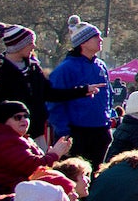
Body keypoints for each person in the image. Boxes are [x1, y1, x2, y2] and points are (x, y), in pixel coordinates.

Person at [46, 18, 116, 167]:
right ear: (83, 42)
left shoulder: (101, 66)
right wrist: (64, 131)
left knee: (95, 176)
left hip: (100, 130)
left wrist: (107, 119)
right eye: (96, 37)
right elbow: (54, 103)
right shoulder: (65, 69)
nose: (100, 39)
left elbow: (107, 95)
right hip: (77, 132)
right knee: (73, 176)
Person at [0, 99, 74, 195]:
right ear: (5, 121)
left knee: (73, 175)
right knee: (64, 185)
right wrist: (54, 154)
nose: (24, 120)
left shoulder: (18, 138)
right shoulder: (4, 140)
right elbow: (33, 167)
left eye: (26, 116)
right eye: (17, 117)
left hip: (21, 188)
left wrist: (51, 155)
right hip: (6, 193)